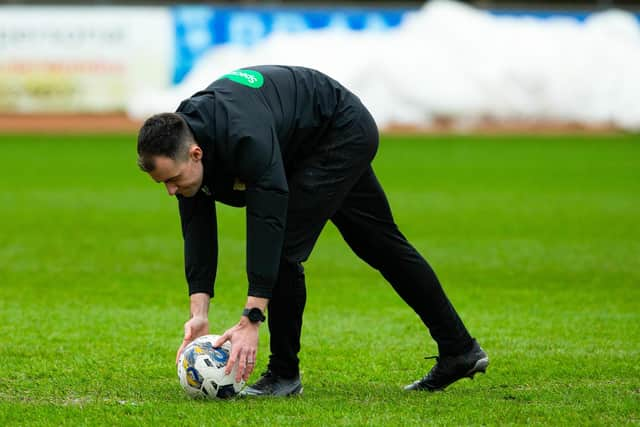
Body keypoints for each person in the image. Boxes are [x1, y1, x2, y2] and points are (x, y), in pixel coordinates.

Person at [136, 65, 488, 396]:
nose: (169, 190)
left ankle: (284, 374)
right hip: (299, 143)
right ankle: (459, 350)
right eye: (162, 183)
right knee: (382, 245)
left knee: (286, 249)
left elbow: (268, 223)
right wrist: (199, 313)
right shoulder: (183, 138)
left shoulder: (244, 138)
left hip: (338, 129)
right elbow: (197, 226)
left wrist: (252, 317)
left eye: (172, 180)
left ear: (196, 154)